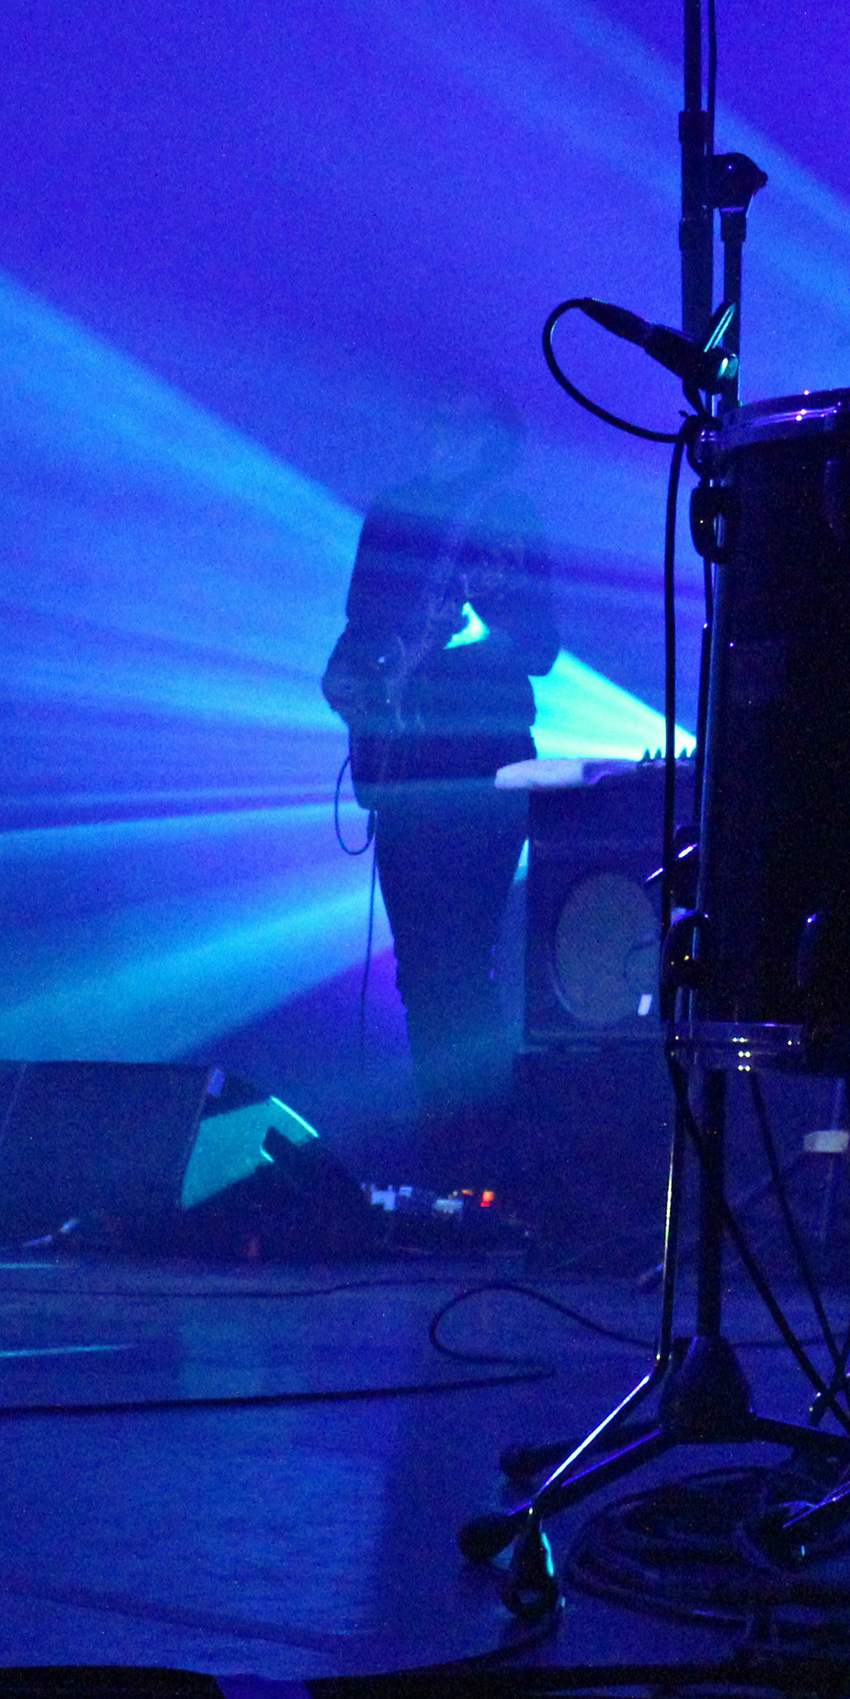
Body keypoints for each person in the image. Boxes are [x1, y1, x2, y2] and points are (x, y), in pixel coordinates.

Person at [323, 387, 559, 1181]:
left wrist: (480, 630)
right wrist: (356, 682)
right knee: (422, 969)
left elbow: (541, 646)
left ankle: (484, 1164)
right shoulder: (394, 512)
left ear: (491, 439)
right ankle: (447, 1159)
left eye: (459, 421)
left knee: (462, 962)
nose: (440, 430)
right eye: (439, 417)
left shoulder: (511, 519)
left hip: (482, 769)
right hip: (405, 768)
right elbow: (361, 628)